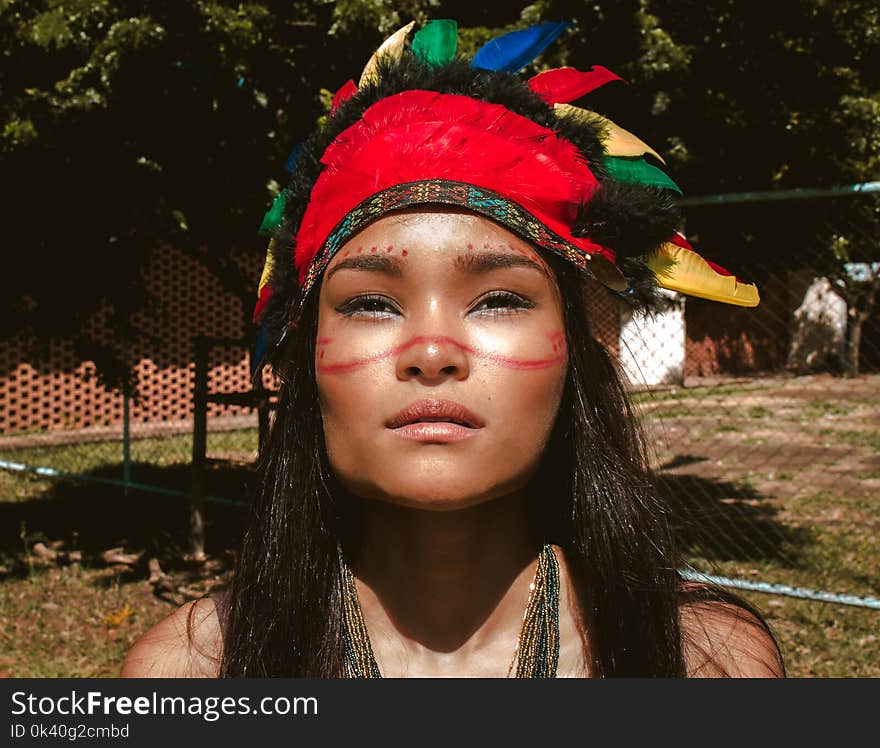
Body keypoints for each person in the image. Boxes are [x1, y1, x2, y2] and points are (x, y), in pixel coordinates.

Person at [122, 20, 783, 678]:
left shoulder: (708, 662)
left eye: (499, 299)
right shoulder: (188, 670)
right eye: (370, 303)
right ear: (308, 363)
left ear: (572, 354)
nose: (432, 351)